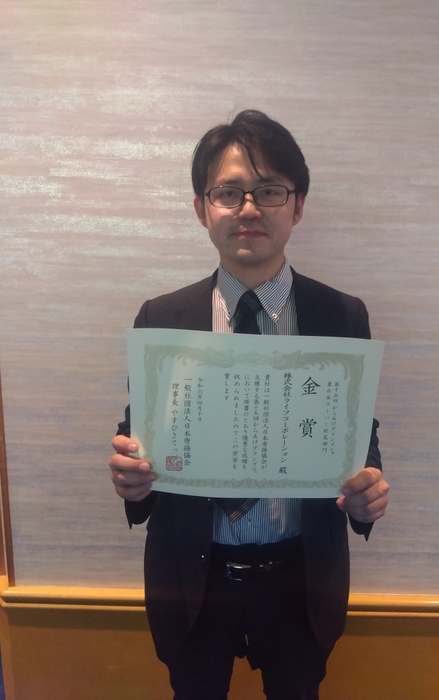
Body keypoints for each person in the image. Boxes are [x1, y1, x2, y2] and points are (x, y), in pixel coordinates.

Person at [109, 110, 389, 700]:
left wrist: (369, 491)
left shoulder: (342, 316)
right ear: (201, 208)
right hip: (193, 579)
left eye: (269, 190)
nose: (249, 208)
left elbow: (356, 438)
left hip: (299, 580)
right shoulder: (162, 318)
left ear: (298, 205)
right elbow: (144, 438)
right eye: (229, 192)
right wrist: (133, 479)